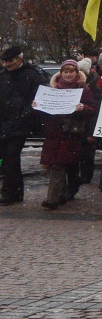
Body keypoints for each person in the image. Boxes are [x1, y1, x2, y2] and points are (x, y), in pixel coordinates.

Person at [36, 61, 98, 209]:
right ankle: (64, 192)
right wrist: (37, 105)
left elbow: (92, 109)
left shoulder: (84, 90)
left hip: (72, 132)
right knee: (60, 164)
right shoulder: (53, 88)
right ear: (61, 73)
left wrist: (83, 108)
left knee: (60, 164)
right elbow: (44, 110)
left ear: (77, 73)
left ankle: (53, 198)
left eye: (71, 72)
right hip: (54, 132)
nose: (68, 74)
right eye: (66, 71)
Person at [0, 45, 44, 205]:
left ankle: (11, 192)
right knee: (5, 158)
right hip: (4, 122)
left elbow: (38, 98)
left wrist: (25, 115)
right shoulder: (3, 76)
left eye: (10, 61)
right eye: (4, 61)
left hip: (22, 123)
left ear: (20, 59)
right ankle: (13, 190)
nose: (6, 64)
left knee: (11, 156)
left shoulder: (32, 75)